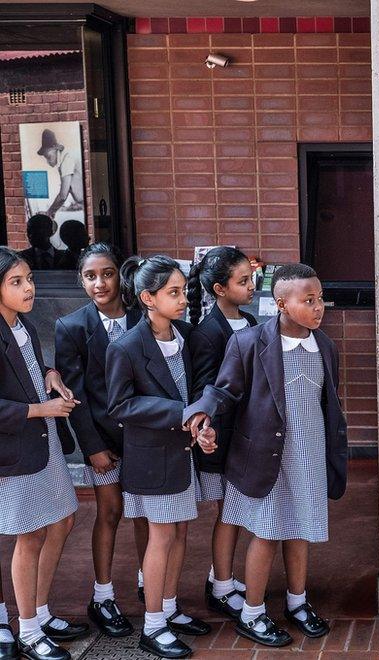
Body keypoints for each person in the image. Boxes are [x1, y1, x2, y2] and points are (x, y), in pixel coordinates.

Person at [184, 263, 348, 648]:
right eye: (308, 300)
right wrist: (202, 411)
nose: (318, 306)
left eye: (320, 298)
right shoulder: (249, 342)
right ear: (281, 304)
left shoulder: (324, 345)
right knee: (267, 533)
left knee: (300, 529)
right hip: (265, 455)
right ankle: (252, 613)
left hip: (307, 453)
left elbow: (326, 403)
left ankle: (297, 602)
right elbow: (224, 390)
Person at [106, 255, 216, 659]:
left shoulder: (186, 335)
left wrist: (201, 419)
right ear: (147, 298)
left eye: (184, 290)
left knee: (181, 531)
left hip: (182, 453)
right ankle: (152, 625)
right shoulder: (127, 347)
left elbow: (202, 385)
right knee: (162, 535)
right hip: (153, 457)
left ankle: (168, 608)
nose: (183, 298)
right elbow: (119, 406)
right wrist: (179, 413)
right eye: (173, 292)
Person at [55, 243, 148, 638]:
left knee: (148, 514)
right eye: (90, 276)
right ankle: (103, 595)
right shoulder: (72, 327)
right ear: (81, 280)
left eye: (107, 273)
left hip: (144, 439)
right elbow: (75, 396)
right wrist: (92, 447)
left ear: (120, 275)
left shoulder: (143, 318)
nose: (100, 283)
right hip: (102, 441)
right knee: (110, 511)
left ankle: (151, 582)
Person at [0, 246, 87, 660]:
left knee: (63, 521)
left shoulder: (25, 326)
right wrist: (42, 409)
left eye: (30, 279)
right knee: (30, 533)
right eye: (16, 282)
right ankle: (29, 629)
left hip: (44, 441)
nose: (29, 287)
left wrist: (51, 376)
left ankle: (40, 610)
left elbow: (33, 368)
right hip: (15, 448)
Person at [186, 246, 256, 620]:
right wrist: (207, 431)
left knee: (238, 511)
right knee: (228, 512)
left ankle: (221, 575)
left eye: (251, 278)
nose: (251, 286)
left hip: (249, 435)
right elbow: (203, 391)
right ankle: (222, 587)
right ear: (218, 289)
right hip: (223, 438)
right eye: (242, 281)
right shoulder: (207, 333)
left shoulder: (250, 322)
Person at [37, 129, 84, 220]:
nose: (48, 162)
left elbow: (63, 196)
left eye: (48, 157)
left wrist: (49, 212)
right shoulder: (64, 159)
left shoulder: (67, 158)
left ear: (56, 149)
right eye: (46, 158)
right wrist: (52, 211)